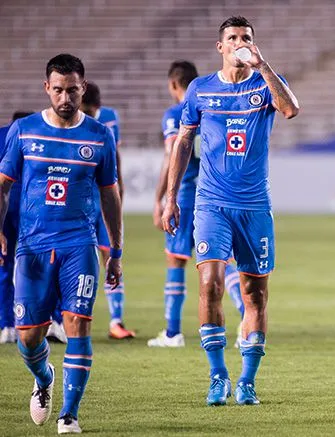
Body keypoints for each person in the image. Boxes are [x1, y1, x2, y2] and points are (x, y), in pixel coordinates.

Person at [161, 16, 299, 406]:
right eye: (233, 38)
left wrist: (263, 64)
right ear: (219, 46)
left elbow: (290, 110)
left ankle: (248, 381)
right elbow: (184, 142)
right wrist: (172, 196)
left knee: (255, 295)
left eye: (247, 38)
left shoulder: (265, 82)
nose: (240, 43)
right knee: (210, 284)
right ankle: (218, 375)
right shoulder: (200, 89)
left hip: (255, 205)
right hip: (210, 203)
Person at [0, 53, 122, 434]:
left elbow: (110, 196)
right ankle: (44, 376)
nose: (65, 97)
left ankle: (70, 413)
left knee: (78, 324)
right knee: (28, 336)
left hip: (79, 245)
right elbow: (2, 187)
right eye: (58, 90)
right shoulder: (24, 131)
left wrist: (115, 250)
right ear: (46, 89)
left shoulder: (100, 136)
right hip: (32, 247)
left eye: (72, 90)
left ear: (82, 88)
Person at [149, 60, 245, 348]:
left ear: (174, 85)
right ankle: (246, 319)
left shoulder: (175, 114)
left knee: (176, 260)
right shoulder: (213, 106)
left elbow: (172, 155)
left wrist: (162, 197)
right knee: (224, 260)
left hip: (187, 194)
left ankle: (172, 332)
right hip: (216, 193)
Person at [77, 82, 134, 340]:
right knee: (79, 259)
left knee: (110, 255)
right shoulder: (73, 124)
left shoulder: (110, 119)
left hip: (104, 198)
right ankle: (71, 318)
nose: (86, 116)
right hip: (81, 202)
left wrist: (118, 189)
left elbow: (115, 156)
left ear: (97, 107)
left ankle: (116, 321)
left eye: (90, 111)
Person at [0, 111, 33, 344]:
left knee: (4, 265)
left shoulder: (3, 136)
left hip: (5, 207)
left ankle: (6, 325)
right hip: (32, 208)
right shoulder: (37, 133)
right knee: (40, 265)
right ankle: (49, 322)